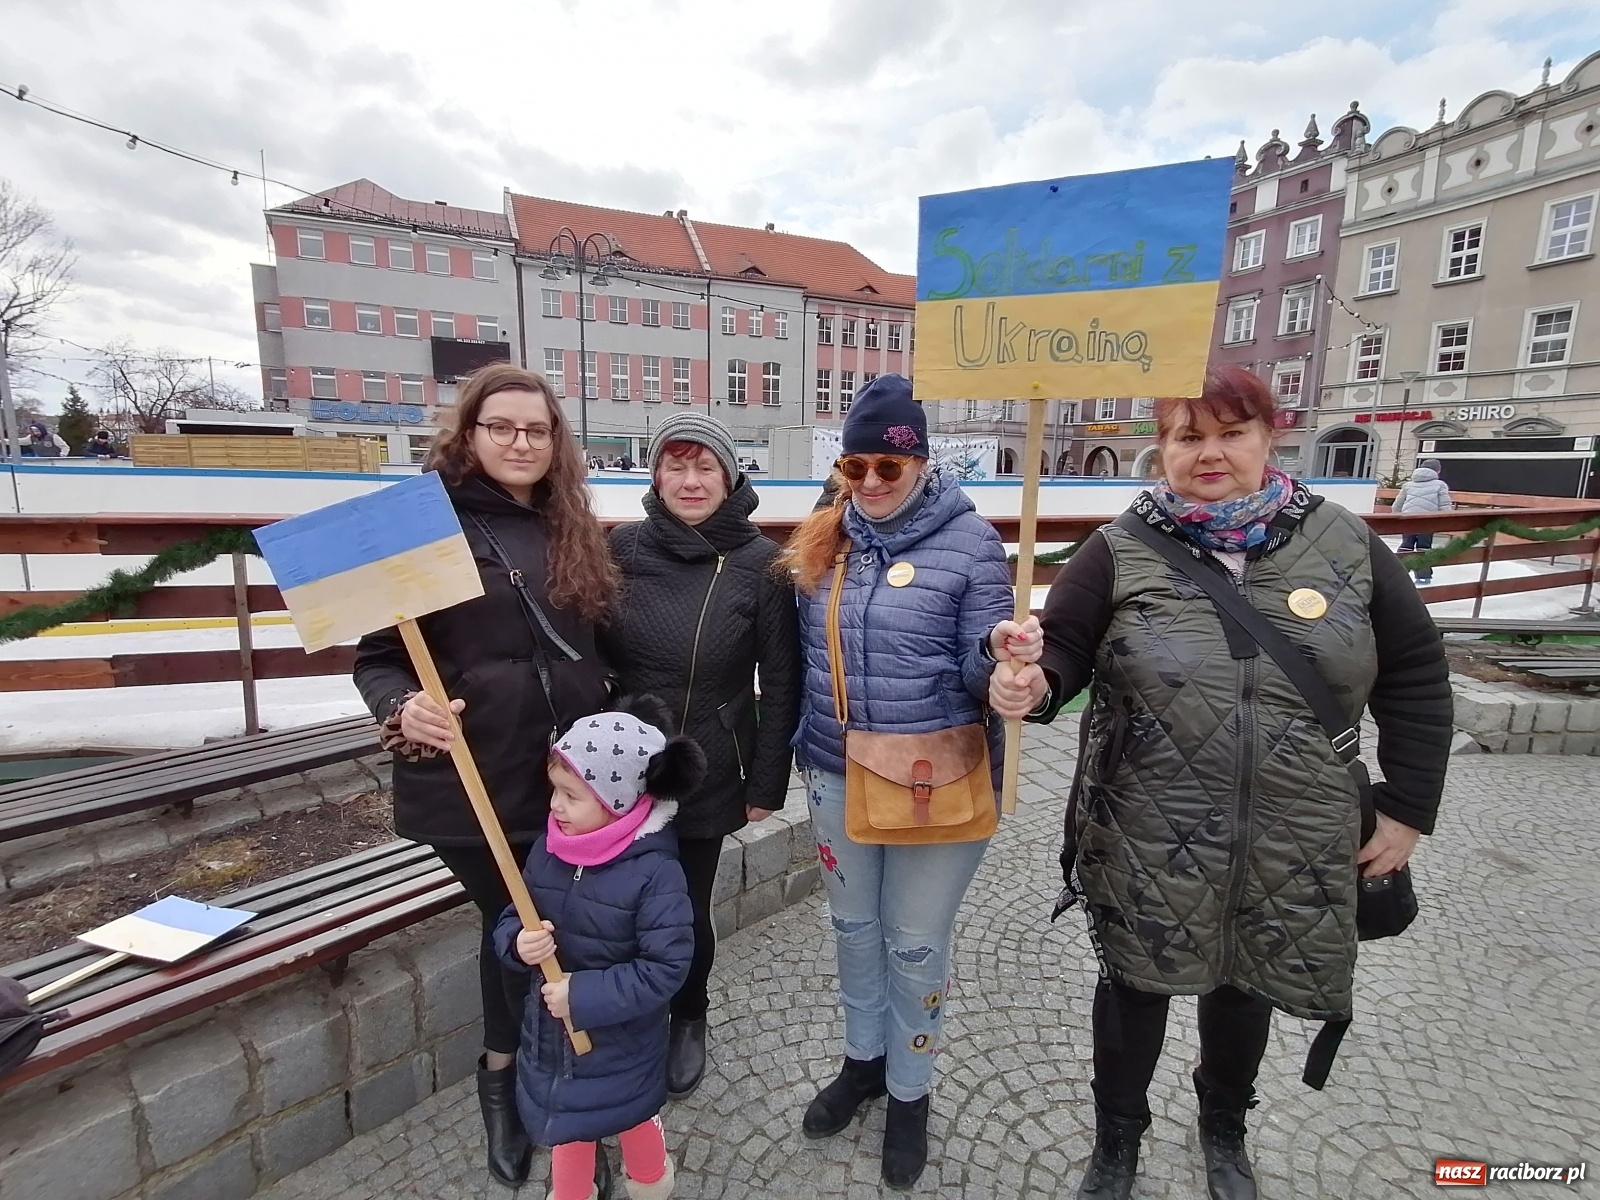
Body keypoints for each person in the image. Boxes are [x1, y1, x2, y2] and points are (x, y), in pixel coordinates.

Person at [990, 366, 1452, 1200]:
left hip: (1297, 828)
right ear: (1160, 449)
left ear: (1269, 437)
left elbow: (1416, 675)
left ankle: (1224, 1130)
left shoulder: (1346, 544)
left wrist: (1409, 807)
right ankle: (1117, 1143)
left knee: (1249, 984)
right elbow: (1056, 657)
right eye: (1187, 436)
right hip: (1147, 826)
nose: (1209, 453)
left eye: (1230, 433)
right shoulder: (1119, 549)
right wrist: (1027, 684)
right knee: (1135, 987)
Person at [352, 362, 616, 1189]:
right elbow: (378, 656)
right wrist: (403, 710)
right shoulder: (422, 527)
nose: (520, 442)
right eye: (501, 427)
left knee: (554, 928)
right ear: (469, 434)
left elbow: (597, 643)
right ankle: (508, 1079)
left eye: (536, 430)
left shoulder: (572, 523)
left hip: (563, 779)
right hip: (471, 779)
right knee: (519, 929)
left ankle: (567, 1094)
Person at [779, 374, 1040, 1190]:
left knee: (915, 941)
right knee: (854, 933)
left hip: (939, 779)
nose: (868, 485)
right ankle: (864, 1062)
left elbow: (976, 670)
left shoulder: (970, 544)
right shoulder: (827, 539)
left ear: (921, 464)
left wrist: (1001, 663)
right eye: (853, 468)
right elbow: (799, 659)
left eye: (885, 469)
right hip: (833, 768)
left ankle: (910, 1093)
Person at [599, 412, 800, 1097]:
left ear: (729, 476)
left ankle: (689, 1013)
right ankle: (627, 1014)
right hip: (621, 763)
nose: (690, 480)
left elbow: (781, 678)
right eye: (676, 465)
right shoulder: (621, 547)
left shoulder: (761, 564)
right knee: (615, 903)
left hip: (709, 761)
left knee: (684, 904)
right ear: (655, 475)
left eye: (704, 466)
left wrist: (768, 777)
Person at [494, 696, 700, 1200]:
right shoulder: (548, 851)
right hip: (552, 1041)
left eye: (570, 795)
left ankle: (651, 1183)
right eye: (554, 791)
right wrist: (519, 943)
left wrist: (582, 996)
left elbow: (666, 966)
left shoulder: (654, 872)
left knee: (633, 1119)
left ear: (618, 802)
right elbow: (509, 916)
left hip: (622, 1042)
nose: (554, 806)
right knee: (567, 1127)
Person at [1392, 463, 1453, 584]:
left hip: (1408, 520)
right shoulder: (1440, 485)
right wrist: (1446, 519)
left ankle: (1396, 574)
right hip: (1427, 521)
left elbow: (1397, 505)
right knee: (1423, 547)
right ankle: (1423, 576)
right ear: (1438, 471)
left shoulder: (1408, 485)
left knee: (1406, 545)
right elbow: (1444, 505)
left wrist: (1397, 516)